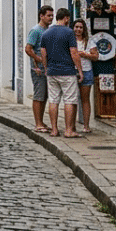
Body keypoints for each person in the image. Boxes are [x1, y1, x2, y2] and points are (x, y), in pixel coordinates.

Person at [41, 7, 82, 138]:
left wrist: (46, 68)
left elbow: (43, 53)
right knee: (69, 100)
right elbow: (74, 52)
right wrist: (80, 70)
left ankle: (54, 129)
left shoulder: (46, 33)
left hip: (52, 71)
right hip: (67, 71)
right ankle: (69, 130)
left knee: (53, 100)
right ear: (66, 18)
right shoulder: (69, 32)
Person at [25, 6, 54, 132]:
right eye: (48, 15)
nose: (51, 18)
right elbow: (28, 48)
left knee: (45, 96)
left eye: (52, 15)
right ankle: (38, 124)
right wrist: (38, 59)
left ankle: (41, 122)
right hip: (38, 69)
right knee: (39, 95)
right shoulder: (36, 31)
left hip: (47, 68)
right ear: (41, 16)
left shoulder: (48, 30)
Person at [72, 19, 97, 133]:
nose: (78, 29)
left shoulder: (89, 41)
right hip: (72, 71)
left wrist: (85, 55)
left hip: (86, 71)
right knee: (72, 100)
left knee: (85, 99)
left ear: (84, 29)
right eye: (76, 27)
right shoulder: (70, 40)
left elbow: (95, 56)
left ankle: (86, 126)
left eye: (80, 27)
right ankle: (71, 126)